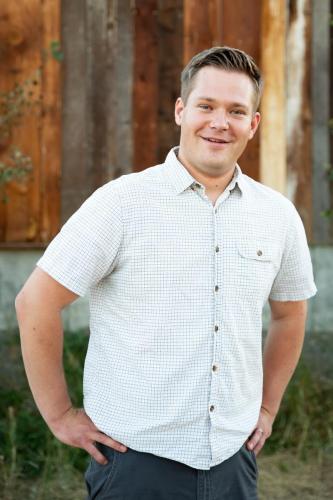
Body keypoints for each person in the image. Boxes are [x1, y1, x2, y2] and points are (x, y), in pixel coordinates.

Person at [16, 46, 317, 500]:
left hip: (233, 461)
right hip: (135, 465)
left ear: (253, 125)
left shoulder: (277, 215)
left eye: (237, 111)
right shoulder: (120, 204)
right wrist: (59, 415)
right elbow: (35, 302)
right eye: (206, 106)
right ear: (181, 110)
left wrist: (269, 407)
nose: (220, 122)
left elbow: (290, 315)